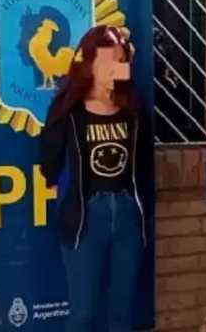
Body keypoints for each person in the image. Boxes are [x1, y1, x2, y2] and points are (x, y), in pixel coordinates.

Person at [39, 25, 152, 332]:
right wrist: (68, 195)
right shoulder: (68, 109)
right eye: (106, 61)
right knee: (83, 314)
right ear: (89, 64)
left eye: (120, 61)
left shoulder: (134, 108)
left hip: (127, 217)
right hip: (85, 219)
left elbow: (143, 164)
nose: (114, 68)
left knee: (122, 314)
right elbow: (48, 164)